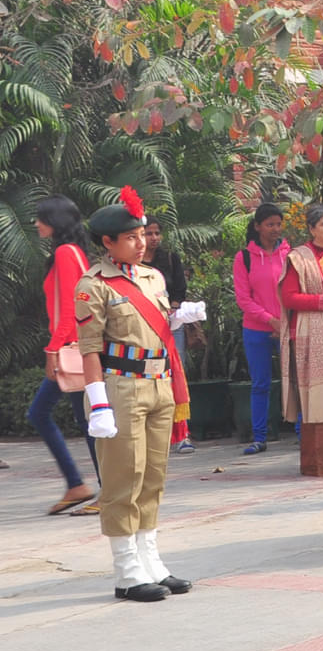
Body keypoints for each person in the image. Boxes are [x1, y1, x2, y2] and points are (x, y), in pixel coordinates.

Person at [75, 187, 207, 601]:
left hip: (159, 383)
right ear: (108, 242)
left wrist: (178, 318)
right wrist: (98, 402)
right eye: (131, 237)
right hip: (121, 388)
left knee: (153, 477)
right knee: (122, 480)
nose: (142, 241)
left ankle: (150, 560)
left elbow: (156, 323)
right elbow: (90, 349)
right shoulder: (93, 285)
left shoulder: (152, 276)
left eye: (143, 234)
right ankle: (126, 570)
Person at [33, 195, 100, 515]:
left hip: (72, 350)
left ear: (55, 221)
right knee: (85, 421)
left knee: (42, 414)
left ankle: (87, 486)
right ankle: (80, 485)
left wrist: (52, 350)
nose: (36, 223)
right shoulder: (71, 252)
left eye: (41, 218)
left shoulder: (64, 253)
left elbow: (72, 307)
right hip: (77, 349)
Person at [279, 206, 323, 477]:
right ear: (311, 229)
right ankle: (318, 464)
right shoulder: (299, 259)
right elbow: (289, 298)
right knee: (317, 398)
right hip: (311, 336)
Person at [232, 202, 291, 455]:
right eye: (270, 225)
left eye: (278, 224)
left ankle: (302, 433)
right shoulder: (244, 258)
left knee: (295, 381)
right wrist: (270, 320)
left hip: (287, 327)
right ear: (257, 227)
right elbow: (243, 299)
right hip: (257, 329)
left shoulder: (290, 254)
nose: (275, 229)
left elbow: (295, 290)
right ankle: (259, 437)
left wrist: (285, 322)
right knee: (260, 383)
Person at [144, 216, 195, 454]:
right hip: (143, 329)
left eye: (156, 233)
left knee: (177, 376)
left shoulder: (170, 259)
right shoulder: (130, 264)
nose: (153, 238)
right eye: (148, 233)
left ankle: (183, 435)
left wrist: (173, 307)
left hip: (171, 325)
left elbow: (179, 290)